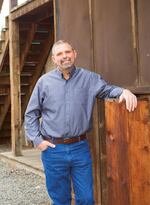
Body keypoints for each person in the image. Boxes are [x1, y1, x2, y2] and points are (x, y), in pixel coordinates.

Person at [24, 40, 137, 205]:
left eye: (67, 52)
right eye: (60, 54)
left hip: (79, 148)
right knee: (60, 199)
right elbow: (31, 114)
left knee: (86, 198)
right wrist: (38, 141)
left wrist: (124, 91)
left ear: (74, 54)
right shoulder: (44, 82)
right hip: (53, 150)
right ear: (54, 59)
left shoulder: (89, 78)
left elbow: (107, 90)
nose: (65, 57)